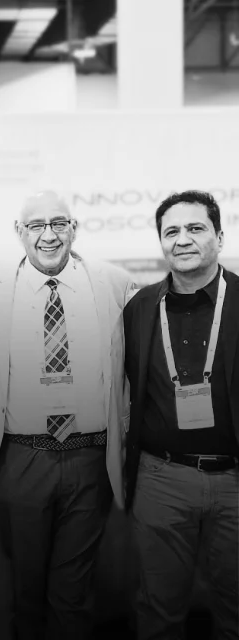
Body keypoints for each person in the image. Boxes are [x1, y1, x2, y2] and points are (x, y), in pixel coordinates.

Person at [0, 190, 134, 640]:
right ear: (18, 232)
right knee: (25, 589)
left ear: (74, 228)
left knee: (74, 593)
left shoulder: (114, 283)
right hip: (22, 459)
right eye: (36, 225)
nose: (48, 235)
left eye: (59, 223)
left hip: (90, 458)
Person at [123, 190, 239, 640]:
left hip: (235, 480)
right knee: (158, 609)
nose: (183, 239)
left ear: (219, 237)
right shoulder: (139, 308)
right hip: (162, 479)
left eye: (195, 228)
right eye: (171, 231)